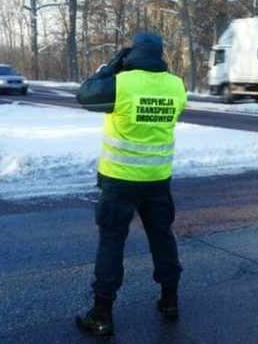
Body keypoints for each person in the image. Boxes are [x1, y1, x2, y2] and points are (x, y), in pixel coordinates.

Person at [74, 32, 188, 338]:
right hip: (157, 181)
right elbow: (177, 111)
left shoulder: (121, 83)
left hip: (120, 182)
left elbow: (85, 95)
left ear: (133, 54)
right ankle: (169, 300)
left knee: (112, 243)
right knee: (162, 238)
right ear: (160, 54)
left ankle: (102, 313)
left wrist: (112, 65)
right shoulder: (176, 85)